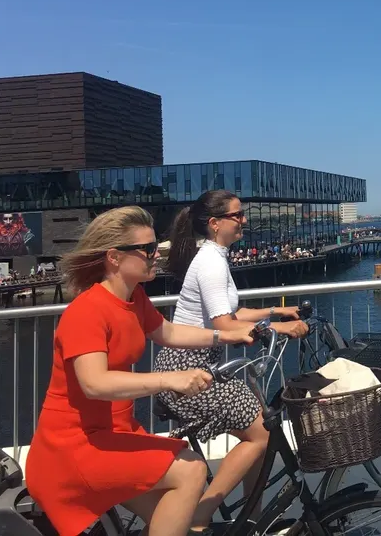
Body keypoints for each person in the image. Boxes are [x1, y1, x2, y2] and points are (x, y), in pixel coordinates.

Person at [25, 206, 254, 536]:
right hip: (72, 448)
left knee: (176, 518)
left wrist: (227, 334)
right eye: (147, 250)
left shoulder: (134, 299)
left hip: (111, 432)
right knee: (190, 470)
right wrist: (168, 379)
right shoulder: (87, 311)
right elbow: (94, 383)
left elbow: (169, 333)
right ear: (115, 257)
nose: (155, 255)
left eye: (155, 247)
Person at [154, 190, 309, 528]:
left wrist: (276, 310)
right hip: (186, 370)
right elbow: (225, 325)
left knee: (261, 431)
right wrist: (279, 329)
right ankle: (201, 512)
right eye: (237, 215)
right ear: (214, 223)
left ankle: (250, 522)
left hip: (197, 364)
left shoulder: (215, 256)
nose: (243, 220)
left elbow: (232, 311)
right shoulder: (210, 262)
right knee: (263, 434)